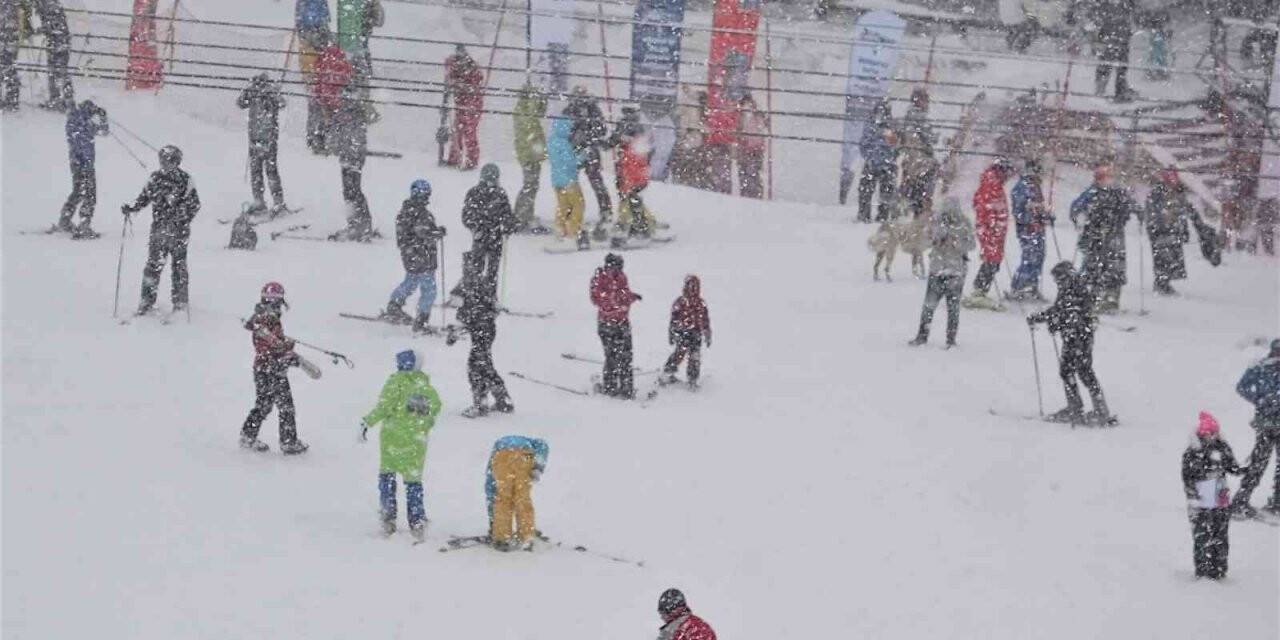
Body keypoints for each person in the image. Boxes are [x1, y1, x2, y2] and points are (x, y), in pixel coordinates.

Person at [360, 349, 441, 541]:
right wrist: (424, 424)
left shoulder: (394, 382)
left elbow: (383, 407)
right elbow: (435, 406)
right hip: (415, 442)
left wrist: (366, 422)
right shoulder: (424, 385)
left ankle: (388, 518)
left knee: (387, 478)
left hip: (392, 439)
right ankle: (417, 520)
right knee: (413, 482)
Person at [1027, 262, 1113, 425]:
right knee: (1070, 370)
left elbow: (1070, 315)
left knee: (1082, 371)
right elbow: (1059, 310)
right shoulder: (1070, 289)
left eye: (1058, 279)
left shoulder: (1075, 290)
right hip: (1075, 336)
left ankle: (1093, 409)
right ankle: (1081, 406)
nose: (1057, 283)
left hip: (1079, 337)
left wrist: (1056, 322)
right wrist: (1041, 317)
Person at [121, 145, 201, 316]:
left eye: (168, 160)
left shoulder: (186, 180)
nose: (164, 164)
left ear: (176, 162)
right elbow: (144, 198)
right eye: (162, 160)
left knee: (178, 266)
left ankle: (180, 303)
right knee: (153, 265)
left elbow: (195, 205)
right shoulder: (155, 178)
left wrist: (182, 216)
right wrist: (133, 208)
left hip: (179, 231)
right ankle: (146, 302)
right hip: (159, 230)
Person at [240, 282, 309, 455]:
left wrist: (285, 345)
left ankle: (248, 435)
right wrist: (287, 348)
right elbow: (271, 346)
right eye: (278, 302)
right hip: (272, 368)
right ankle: (289, 442)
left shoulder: (263, 317)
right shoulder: (267, 318)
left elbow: (272, 342)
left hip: (263, 368)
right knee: (285, 406)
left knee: (264, 403)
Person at [1182, 411, 1244, 579]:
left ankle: (1219, 568)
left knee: (1220, 532)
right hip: (1201, 496)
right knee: (1202, 534)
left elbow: (1233, 467)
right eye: (1210, 433)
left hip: (1219, 492)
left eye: (1215, 432)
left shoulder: (1221, 447)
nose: (1213, 436)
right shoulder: (1193, 452)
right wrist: (1194, 497)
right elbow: (1188, 477)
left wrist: (1245, 468)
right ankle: (1203, 569)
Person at [909, 197, 976, 348]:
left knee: (953, 308)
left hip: (955, 270)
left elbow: (971, 244)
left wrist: (956, 243)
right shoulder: (935, 222)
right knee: (929, 306)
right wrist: (935, 240)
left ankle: (950, 339)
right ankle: (922, 336)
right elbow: (924, 242)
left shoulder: (964, 223)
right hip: (938, 269)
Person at [383, 179, 446, 333]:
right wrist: (435, 233)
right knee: (429, 289)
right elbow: (421, 232)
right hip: (420, 255)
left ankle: (394, 305)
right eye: (425, 194)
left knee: (411, 281)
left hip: (415, 255)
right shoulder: (416, 212)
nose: (426, 197)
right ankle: (421, 320)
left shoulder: (410, 211)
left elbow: (417, 231)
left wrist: (434, 232)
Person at [1074, 163, 1136, 313]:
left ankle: (1111, 300)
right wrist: (1084, 219)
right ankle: (1089, 298)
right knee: (1094, 268)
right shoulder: (1092, 193)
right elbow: (1077, 208)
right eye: (1105, 178)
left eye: (1110, 177)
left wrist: (1134, 210)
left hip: (1114, 237)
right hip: (1096, 237)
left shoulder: (1118, 193)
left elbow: (1128, 204)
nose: (1109, 181)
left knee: (1115, 268)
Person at [1229, 339, 1280, 519]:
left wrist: (1261, 400)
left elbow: (1243, 387)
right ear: (1273, 351)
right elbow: (1242, 387)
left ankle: (1275, 503)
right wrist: (1261, 400)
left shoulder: (1260, 367)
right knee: (1259, 462)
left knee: (1259, 463)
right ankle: (1241, 502)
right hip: (1265, 424)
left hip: (1266, 422)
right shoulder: (1261, 367)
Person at [458, 164, 515, 301]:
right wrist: (507, 226)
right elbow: (506, 214)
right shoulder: (498, 193)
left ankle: (479, 295)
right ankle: (483, 295)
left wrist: (507, 225)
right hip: (490, 235)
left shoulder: (476, 193)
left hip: (485, 235)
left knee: (481, 266)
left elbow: (467, 216)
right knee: (488, 268)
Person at [459, 278, 513, 417]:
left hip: (482, 333)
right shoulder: (480, 293)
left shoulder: (474, 296)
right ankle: (503, 399)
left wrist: (462, 326)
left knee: (476, 368)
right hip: (485, 332)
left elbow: (466, 316)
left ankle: (481, 404)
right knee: (486, 367)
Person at [964, 158, 1014, 309]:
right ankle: (979, 291)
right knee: (992, 259)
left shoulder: (995, 184)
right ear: (1000, 171)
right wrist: (993, 226)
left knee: (994, 259)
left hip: (995, 231)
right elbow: (986, 208)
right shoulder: (991, 185)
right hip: (990, 231)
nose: (1008, 178)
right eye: (1007, 174)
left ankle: (981, 289)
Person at [590, 253, 642, 398]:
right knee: (611, 356)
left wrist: (632, 297)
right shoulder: (598, 278)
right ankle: (610, 387)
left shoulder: (621, 277)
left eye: (620, 267)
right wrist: (617, 301)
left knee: (626, 357)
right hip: (606, 324)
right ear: (609, 265)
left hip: (622, 322)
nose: (618, 270)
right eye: (616, 267)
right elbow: (598, 299)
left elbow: (623, 293)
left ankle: (627, 389)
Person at [237, 73, 289, 216]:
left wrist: (274, 93)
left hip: (269, 138)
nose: (259, 87)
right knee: (256, 171)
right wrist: (247, 90)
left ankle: (278, 202)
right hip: (254, 138)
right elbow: (240, 103)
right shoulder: (252, 94)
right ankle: (259, 201)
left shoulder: (271, 95)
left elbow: (282, 103)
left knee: (271, 171)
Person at [485, 435, 549, 551]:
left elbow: (490, 484)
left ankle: (502, 537)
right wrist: (538, 467)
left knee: (503, 499)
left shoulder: (497, 447)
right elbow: (543, 445)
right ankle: (527, 534)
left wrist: (492, 521)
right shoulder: (532, 442)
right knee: (522, 498)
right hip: (526, 454)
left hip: (502, 454)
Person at [329, 83, 374, 241]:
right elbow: (334, 132)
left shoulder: (359, 113)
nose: (346, 101)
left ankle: (362, 223)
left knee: (354, 190)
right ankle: (355, 223)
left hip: (355, 157)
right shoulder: (340, 114)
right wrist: (334, 145)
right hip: (346, 157)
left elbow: (372, 118)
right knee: (349, 191)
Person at [564, 86, 613, 233]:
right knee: (573, 183)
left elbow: (601, 129)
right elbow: (565, 130)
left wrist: (587, 132)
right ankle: (571, 212)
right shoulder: (571, 110)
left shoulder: (592, 110)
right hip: (579, 151)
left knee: (594, 182)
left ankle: (605, 212)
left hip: (587, 150)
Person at [57, 99, 108, 238]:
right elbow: (104, 131)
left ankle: (65, 219)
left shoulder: (74, 119)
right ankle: (84, 223)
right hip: (85, 162)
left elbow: (102, 132)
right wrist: (103, 117)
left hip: (75, 162)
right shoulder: (85, 122)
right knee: (90, 193)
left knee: (78, 191)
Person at [1145, 167, 1192, 296]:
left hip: (1174, 231)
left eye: (1174, 178)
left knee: (1173, 258)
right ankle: (1161, 283)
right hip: (1160, 230)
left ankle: (1166, 281)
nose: (1173, 181)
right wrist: (1158, 222)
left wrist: (1184, 229)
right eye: (1170, 178)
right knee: (1161, 257)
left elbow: (1182, 212)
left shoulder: (1179, 193)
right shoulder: (1157, 193)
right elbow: (1151, 210)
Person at [1008, 159, 1051, 300]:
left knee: (1039, 256)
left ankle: (1032, 285)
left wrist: (1046, 215)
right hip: (1027, 229)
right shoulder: (1022, 187)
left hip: (1038, 229)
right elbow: (1018, 211)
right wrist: (1029, 216)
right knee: (1029, 256)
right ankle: (1019, 286)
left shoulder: (1036, 187)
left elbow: (1039, 208)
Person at [612, 106, 656, 242]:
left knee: (633, 201)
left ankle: (641, 227)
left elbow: (637, 162)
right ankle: (635, 224)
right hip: (630, 176)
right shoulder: (633, 135)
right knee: (630, 200)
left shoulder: (636, 138)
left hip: (635, 178)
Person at [512, 82, 548, 233]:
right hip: (529, 155)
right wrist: (538, 99)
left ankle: (525, 214)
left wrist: (542, 100)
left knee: (532, 185)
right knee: (530, 185)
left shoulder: (524, 108)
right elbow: (532, 116)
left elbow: (540, 112)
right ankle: (521, 216)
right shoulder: (523, 109)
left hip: (531, 153)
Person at [662, 275, 711, 388]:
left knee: (695, 357)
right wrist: (672, 333)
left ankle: (692, 380)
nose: (693, 289)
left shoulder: (701, 303)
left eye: (695, 286)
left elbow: (705, 320)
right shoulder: (680, 302)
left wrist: (707, 333)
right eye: (690, 286)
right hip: (682, 331)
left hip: (696, 332)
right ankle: (667, 373)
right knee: (679, 353)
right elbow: (673, 319)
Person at [548, 115, 588, 248]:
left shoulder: (552, 141)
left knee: (563, 206)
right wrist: (582, 155)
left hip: (556, 181)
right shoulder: (565, 144)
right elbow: (570, 162)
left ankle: (560, 229)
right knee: (579, 205)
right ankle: (572, 230)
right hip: (569, 180)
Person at [856, 100, 897, 223]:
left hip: (875, 163)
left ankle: (865, 215)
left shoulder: (871, 125)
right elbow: (895, 146)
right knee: (885, 191)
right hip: (884, 164)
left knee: (866, 190)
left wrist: (871, 157)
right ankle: (881, 215)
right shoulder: (891, 126)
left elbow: (863, 145)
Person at [444, 44, 483, 170]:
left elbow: (475, 85)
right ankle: (455, 158)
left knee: (469, 131)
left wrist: (459, 85)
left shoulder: (472, 68)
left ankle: (471, 160)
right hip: (460, 102)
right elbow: (448, 75)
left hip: (473, 103)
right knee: (457, 130)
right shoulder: (453, 64)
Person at [309, 39, 351, 154]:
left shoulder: (322, 58)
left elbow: (317, 77)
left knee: (324, 119)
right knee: (338, 120)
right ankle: (338, 145)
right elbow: (348, 77)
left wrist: (317, 94)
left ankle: (320, 144)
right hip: (337, 96)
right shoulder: (342, 59)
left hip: (325, 95)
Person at [1090, 0, 1137, 102]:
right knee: (1113, 66)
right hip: (1114, 39)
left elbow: (1097, 23)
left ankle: (1114, 90)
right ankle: (1106, 91)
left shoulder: (1120, 6)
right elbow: (1098, 23)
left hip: (1116, 39)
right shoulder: (1112, 6)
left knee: (1116, 66)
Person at [34, 0, 72, 111]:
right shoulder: (51, 5)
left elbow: (53, 26)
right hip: (58, 42)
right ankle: (63, 99)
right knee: (58, 72)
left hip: (58, 42)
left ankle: (62, 100)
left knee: (57, 72)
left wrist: (40, 30)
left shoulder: (50, 6)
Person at [735, 95, 768, 199]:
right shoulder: (740, 118)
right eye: (745, 105)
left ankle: (755, 195)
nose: (747, 108)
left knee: (753, 174)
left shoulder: (758, 117)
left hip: (755, 150)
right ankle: (746, 195)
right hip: (744, 149)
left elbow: (762, 129)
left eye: (749, 105)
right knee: (744, 174)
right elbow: (738, 132)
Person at [0, 0, 19, 111]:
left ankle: (12, 99)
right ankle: (12, 98)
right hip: (9, 40)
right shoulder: (11, 5)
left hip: (6, 40)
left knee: (7, 67)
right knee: (9, 67)